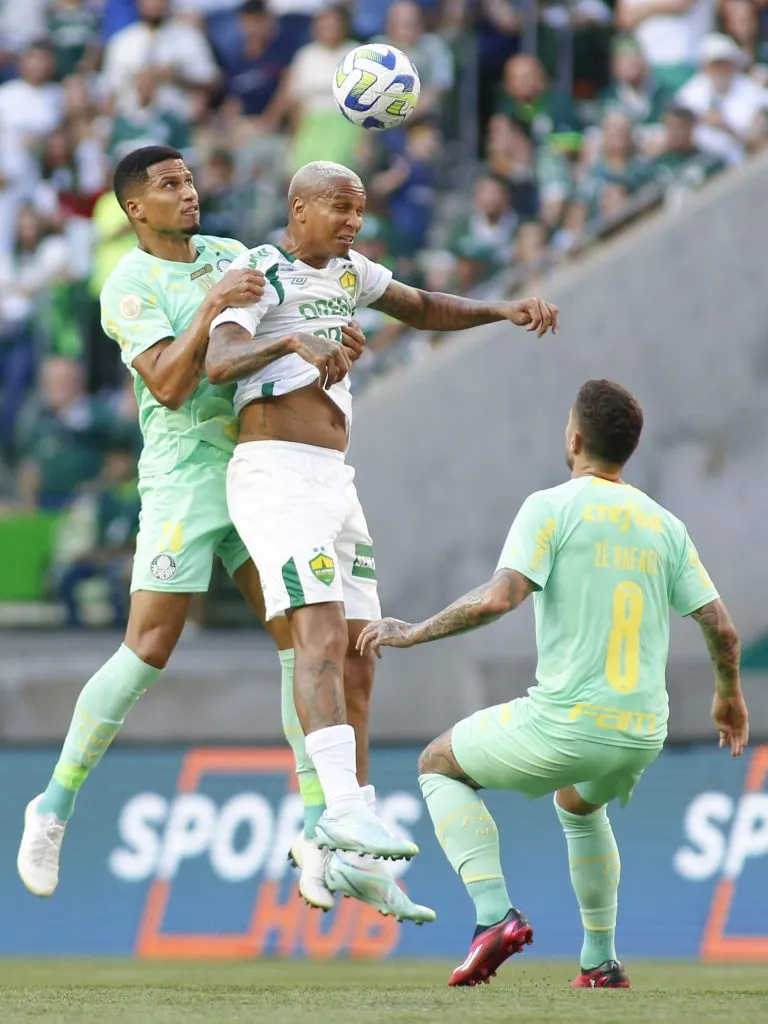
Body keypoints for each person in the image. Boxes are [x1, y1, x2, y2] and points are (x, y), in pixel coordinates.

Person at [205, 159, 558, 920]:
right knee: (321, 636)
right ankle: (340, 809)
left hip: (335, 480)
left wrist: (501, 310)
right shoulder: (259, 271)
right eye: (339, 208)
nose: (352, 223)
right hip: (276, 473)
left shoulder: (351, 274)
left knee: (362, 652)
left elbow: (422, 305)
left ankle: (352, 854)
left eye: (359, 211)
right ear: (299, 208)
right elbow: (218, 362)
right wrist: (292, 346)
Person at [358, 379, 748, 988]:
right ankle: (600, 961)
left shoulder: (551, 506)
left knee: (437, 764)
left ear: (573, 438)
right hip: (645, 728)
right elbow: (721, 627)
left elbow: (497, 600)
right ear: (628, 450)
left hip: (570, 722)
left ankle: (493, 917)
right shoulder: (664, 524)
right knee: (578, 803)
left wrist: (411, 632)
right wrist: (729, 696)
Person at [15, 144, 329, 898]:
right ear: (134, 208)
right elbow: (166, 382)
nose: (189, 192)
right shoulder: (127, 284)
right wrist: (218, 303)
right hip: (185, 475)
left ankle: (322, 828)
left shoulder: (227, 252)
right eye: (169, 185)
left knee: (304, 637)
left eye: (189, 179)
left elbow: (282, 313)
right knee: (149, 648)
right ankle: (52, 805)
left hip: (256, 465)